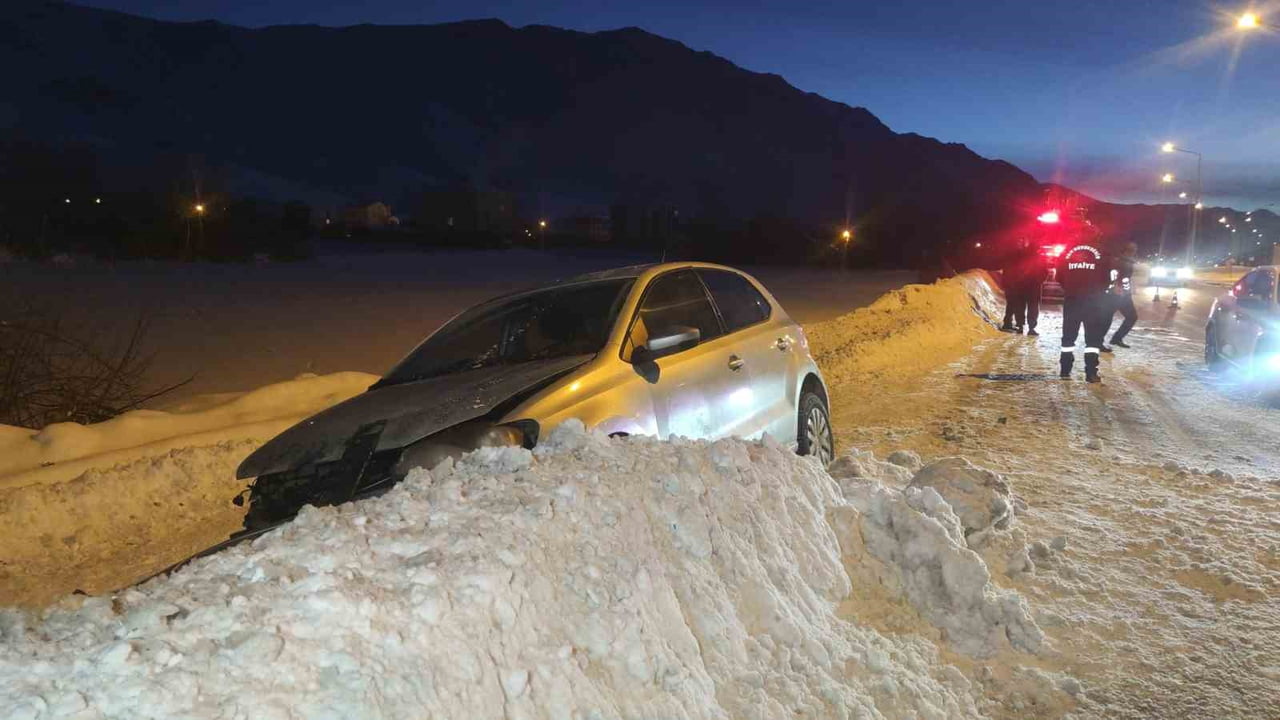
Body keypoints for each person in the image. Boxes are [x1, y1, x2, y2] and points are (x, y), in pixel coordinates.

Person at [1056, 240, 1112, 383]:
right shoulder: (1101, 250)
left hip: (1072, 301)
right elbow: (1107, 278)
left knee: (1068, 337)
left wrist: (1071, 289)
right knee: (1093, 339)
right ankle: (1091, 373)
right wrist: (1097, 292)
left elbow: (1059, 276)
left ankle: (1065, 370)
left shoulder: (1067, 250)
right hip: (1093, 302)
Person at [1011, 239, 1048, 336]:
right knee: (1033, 307)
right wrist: (1040, 281)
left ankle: (1020, 326)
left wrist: (1016, 281)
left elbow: (1014, 270)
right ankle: (1031, 328)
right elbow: (1045, 271)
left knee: (1020, 306)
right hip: (1034, 286)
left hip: (1020, 285)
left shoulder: (1020, 256)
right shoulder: (1039, 257)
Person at [1107, 242, 1139, 349]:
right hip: (1117, 294)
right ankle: (1099, 341)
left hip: (1123, 294)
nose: (1134, 252)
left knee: (1131, 317)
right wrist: (1117, 287)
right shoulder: (1121, 261)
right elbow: (1116, 276)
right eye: (1132, 250)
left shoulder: (1127, 261)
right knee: (1107, 318)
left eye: (1134, 249)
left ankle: (1116, 338)